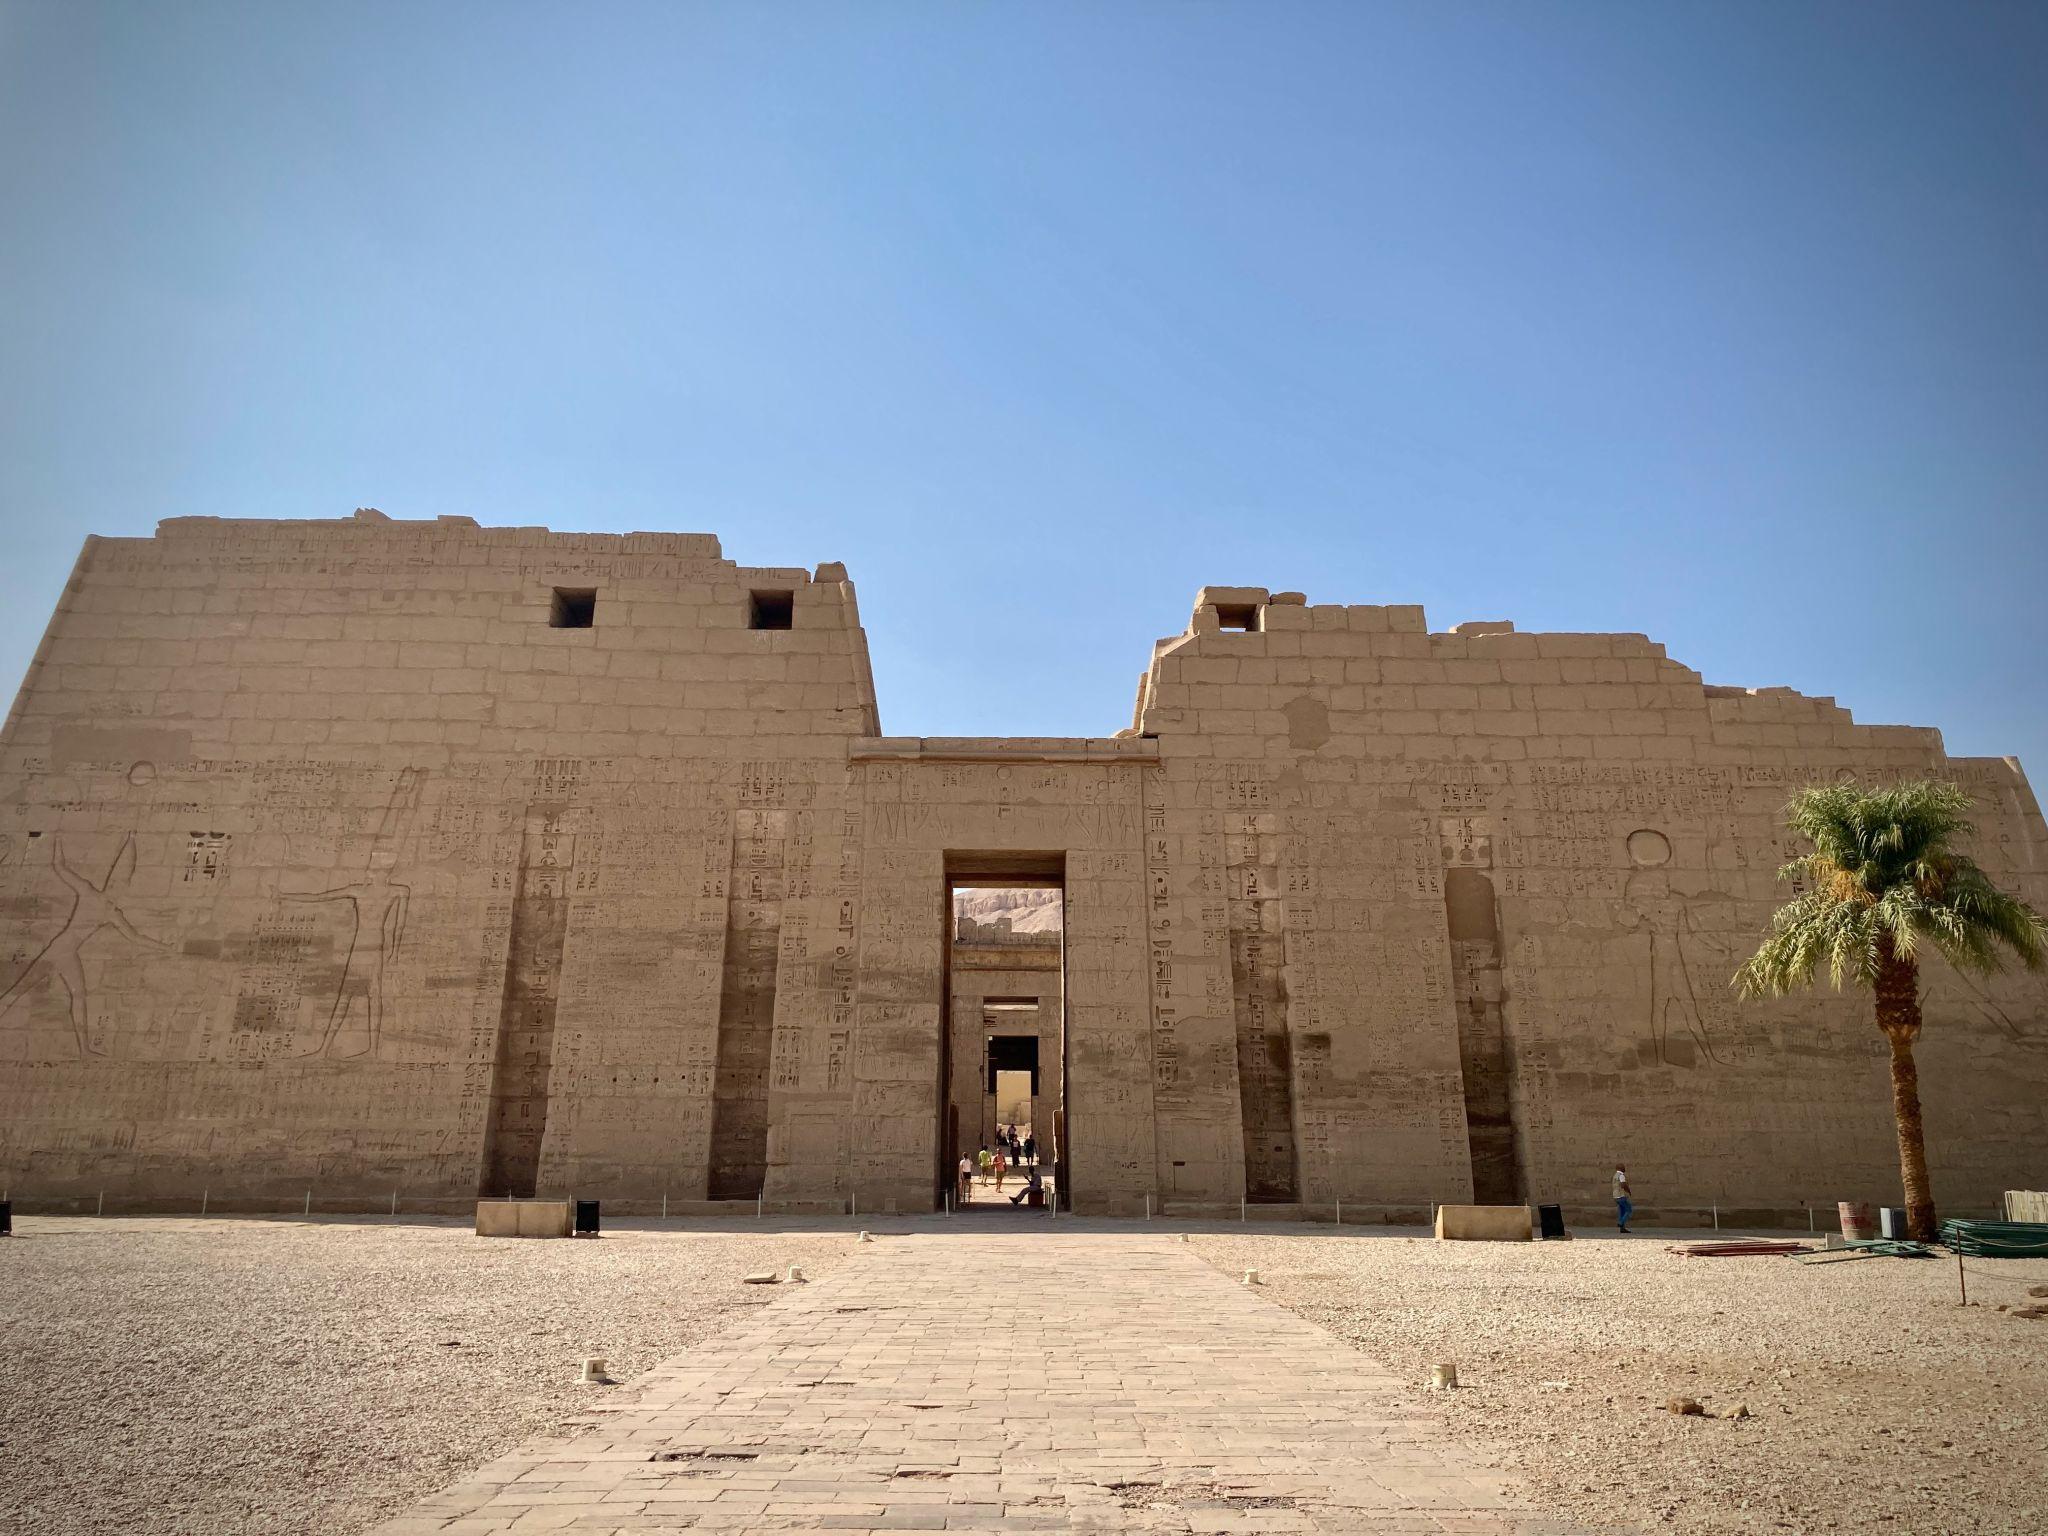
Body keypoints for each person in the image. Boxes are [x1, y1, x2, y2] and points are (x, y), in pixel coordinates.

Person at [1613, 1163, 1633, 1233]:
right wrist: (1629, 1191)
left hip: (1615, 1196)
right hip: (1621, 1195)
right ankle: (1621, 1222)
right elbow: (1623, 1185)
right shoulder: (1621, 1175)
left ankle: (1622, 1228)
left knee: (1622, 1211)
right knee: (1629, 1209)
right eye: (1623, 1167)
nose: (1625, 1168)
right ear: (1621, 1168)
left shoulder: (1615, 1175)